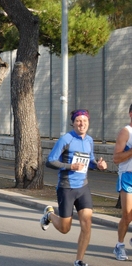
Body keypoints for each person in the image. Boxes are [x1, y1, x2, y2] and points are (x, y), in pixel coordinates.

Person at [41, 109, 107, 266]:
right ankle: (49, 215)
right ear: (73, 123)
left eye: (84, 120)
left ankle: (79, 260)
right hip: (66, 187)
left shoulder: (89, 140)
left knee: (87, 223)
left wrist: (97, 165)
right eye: (78, 121)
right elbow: (50, 161)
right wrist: (70, 166)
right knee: (65, 228)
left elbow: (89, 161)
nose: (82, 123)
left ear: (88, 123)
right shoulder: (66, 139)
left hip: (83, 187)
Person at [113, 104, 132, 261]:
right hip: (128, 176)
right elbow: (116, 158)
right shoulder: (125, 132)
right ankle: (119, 246)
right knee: (127, 216)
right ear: (131, 114)